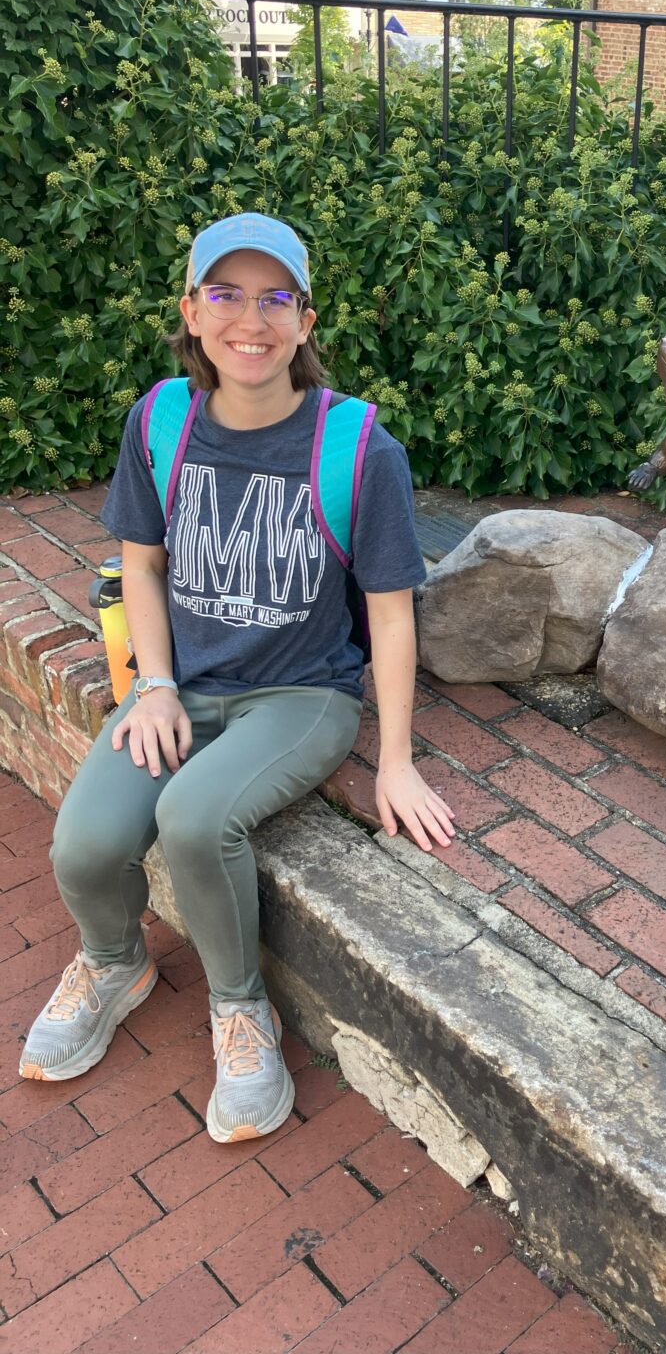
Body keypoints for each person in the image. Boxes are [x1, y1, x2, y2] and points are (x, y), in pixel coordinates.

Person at [18, 213, 455, 1142]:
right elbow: (139, 565)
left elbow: (388, 609)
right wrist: (156, 684)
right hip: (184, 685)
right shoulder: (162, 418)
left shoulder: (358, 448)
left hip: (301, 697)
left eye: (273, 298)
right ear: (191, 309)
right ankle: (112, 962)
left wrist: (399, 759)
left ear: (304, 319)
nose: (248, 320)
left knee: (193, 817)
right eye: (225, 294)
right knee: (83, 847)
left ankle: (239, 1007)